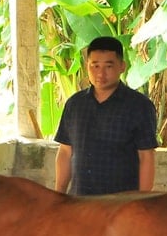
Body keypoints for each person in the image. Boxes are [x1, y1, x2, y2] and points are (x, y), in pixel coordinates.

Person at [54, 36, 158, 196]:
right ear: (86, 66)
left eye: (108, 66)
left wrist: (141, 200)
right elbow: (65, 151)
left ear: (122, 66)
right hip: (80, 200)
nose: (100, 73)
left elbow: (146, 157)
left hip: (121, 203)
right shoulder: (74, 105)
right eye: (94, 66)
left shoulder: (139, 106)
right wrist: (59, 194)